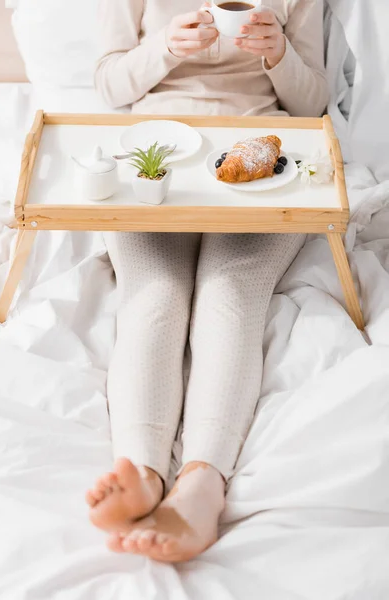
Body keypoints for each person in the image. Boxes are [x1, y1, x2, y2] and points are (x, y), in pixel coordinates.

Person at [86, 0, 329, 563]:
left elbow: (312, 101)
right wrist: (165, 48)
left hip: (266, 159)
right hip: (152, 156)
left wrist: (279, 55)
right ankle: (141, 470)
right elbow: (108, 84)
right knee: (154, 298)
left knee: (229, 297)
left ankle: (201, 484)